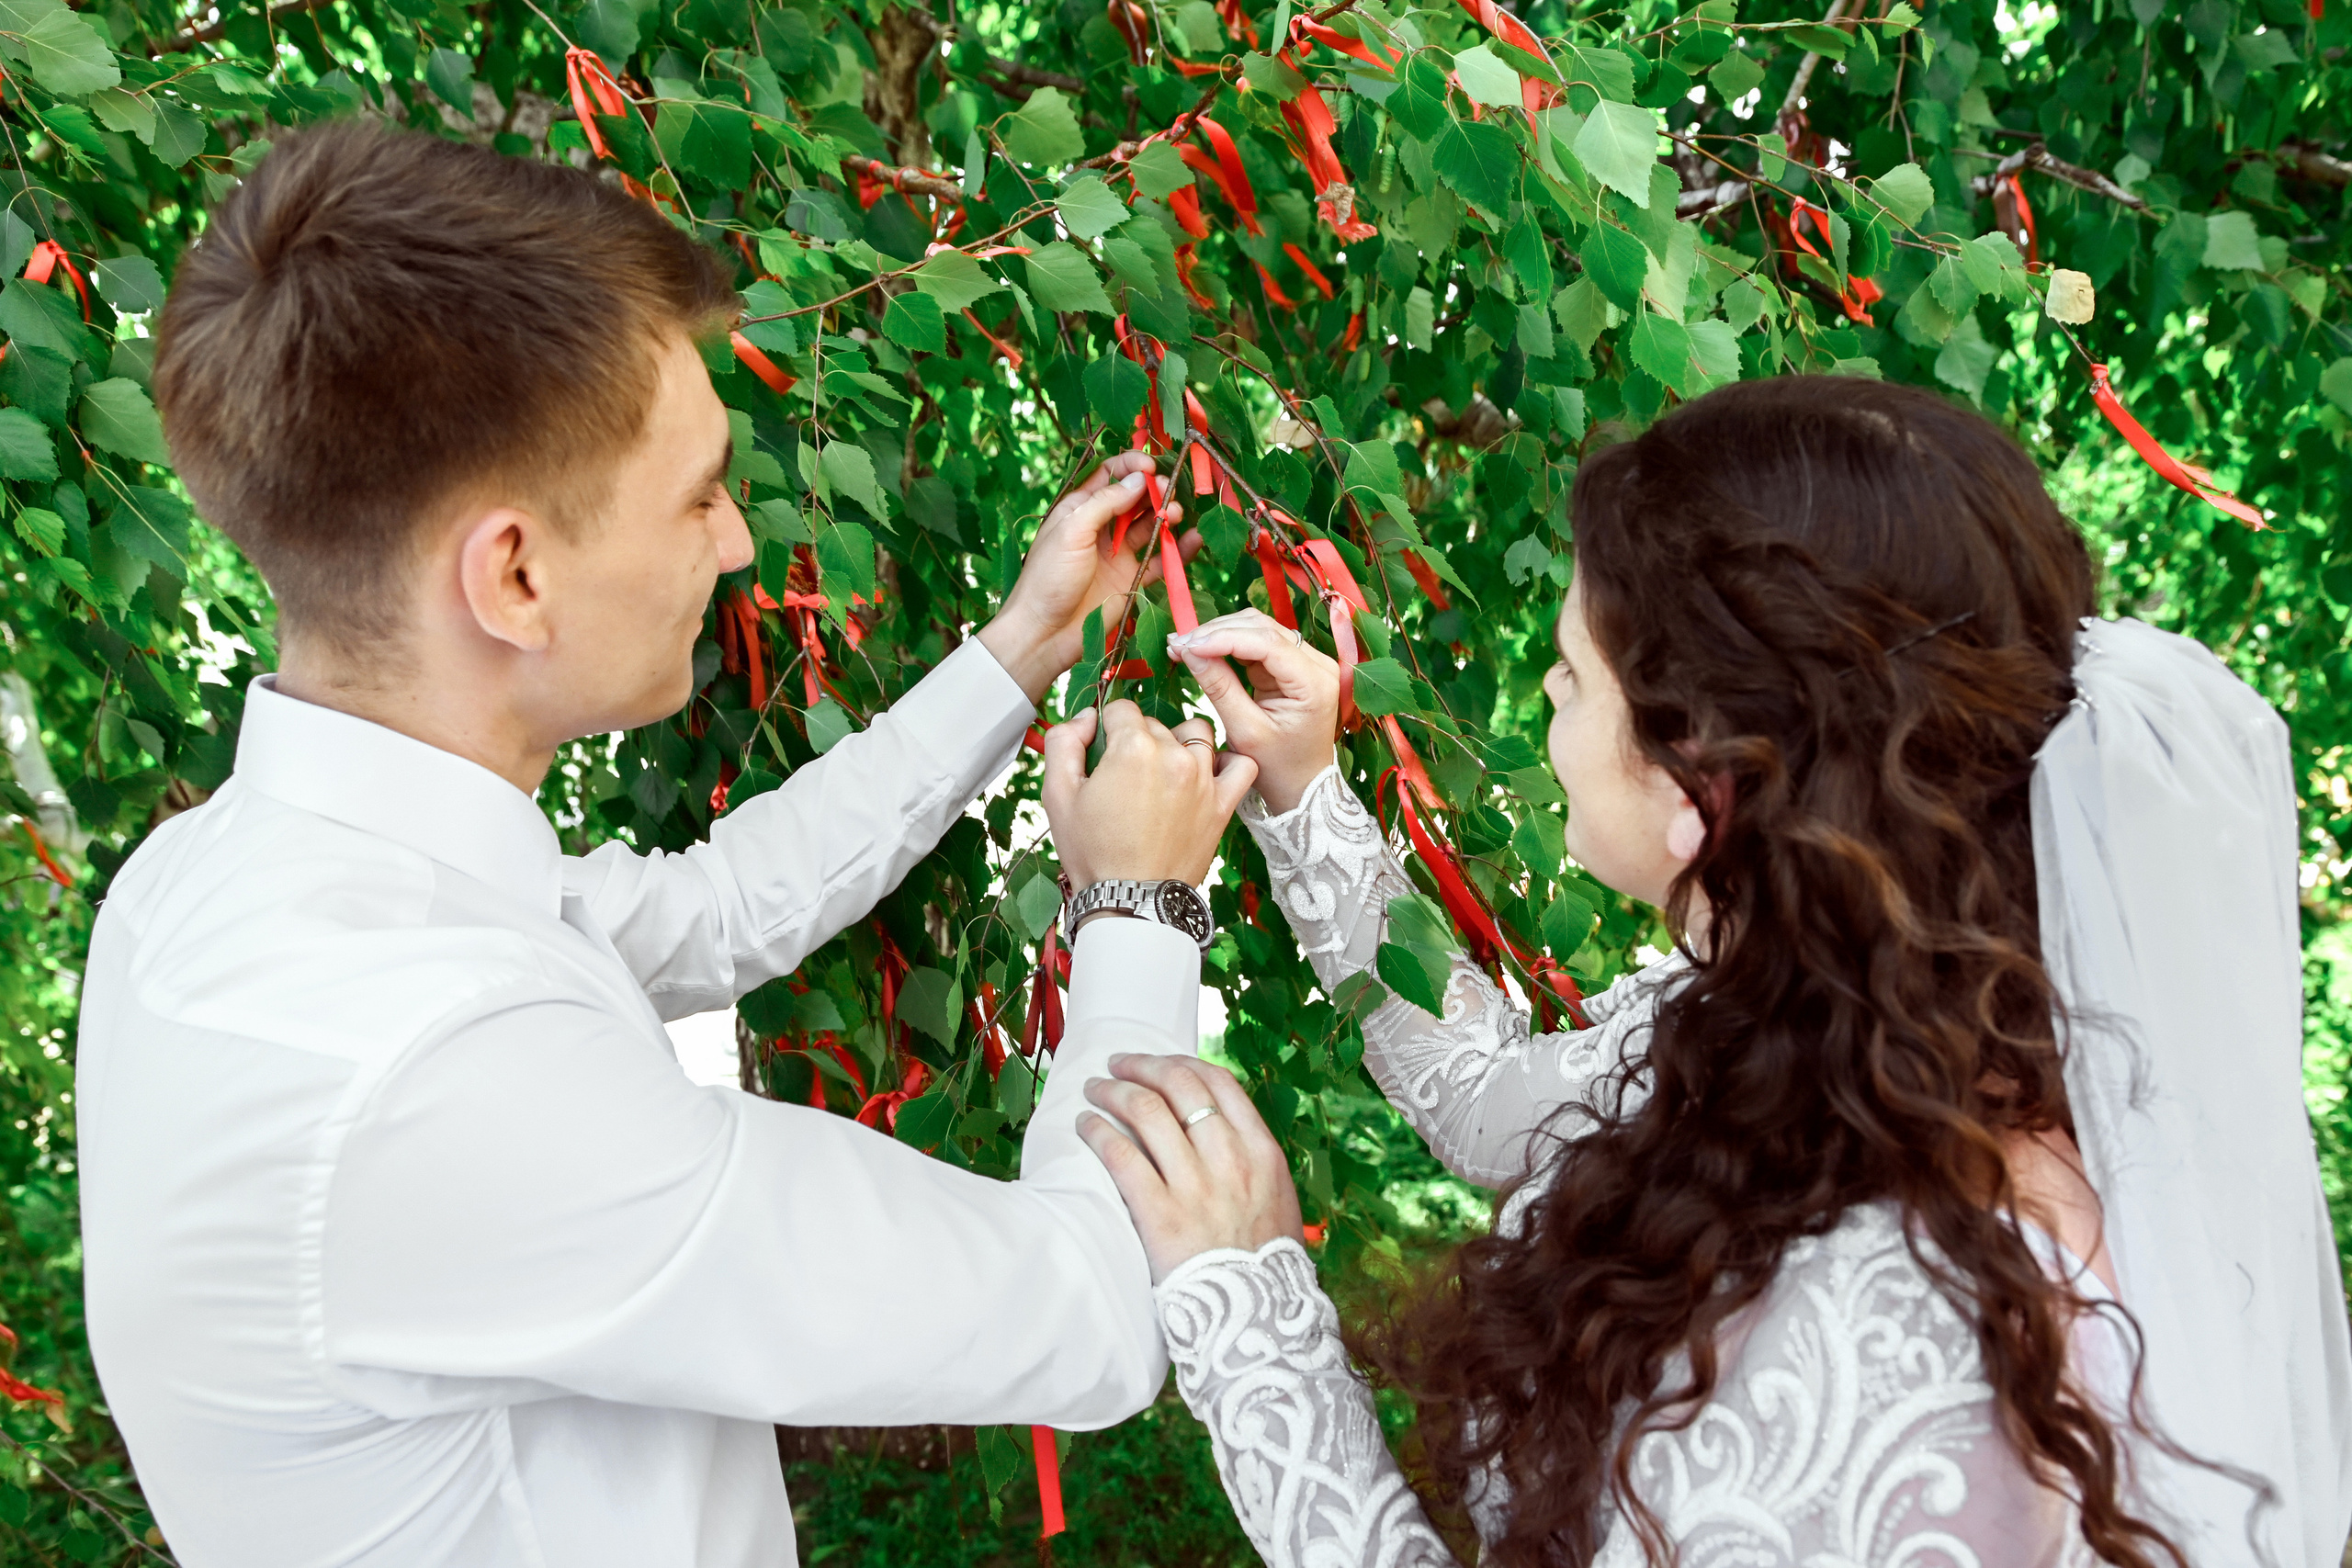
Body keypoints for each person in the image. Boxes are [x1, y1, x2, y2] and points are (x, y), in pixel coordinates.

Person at [75, 122, 1255, 1565]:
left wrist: (1020, 650)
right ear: (513, 573)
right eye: (699, 495)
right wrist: (1138, 904)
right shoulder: (440, 1078)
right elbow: (1086, 1306)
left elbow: (711, 913)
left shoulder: (234, 884)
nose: (740, 544)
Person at [1079, 376, 2352, 1566]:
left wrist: (1256, 1336)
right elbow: (1482, 1100)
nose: (1544, 689)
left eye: (1574, 673)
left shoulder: (1901, 1329)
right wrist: (1304, 795)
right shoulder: (1811, 1048)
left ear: (1708, 777)